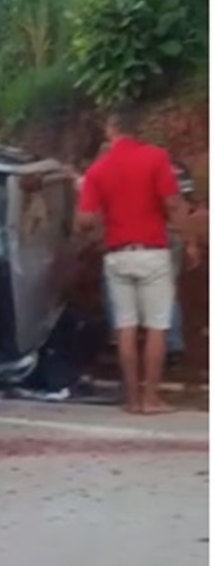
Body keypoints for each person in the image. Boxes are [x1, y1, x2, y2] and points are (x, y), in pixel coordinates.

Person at [75, 105, 199, 414]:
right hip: (153, 252)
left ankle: (131, 400)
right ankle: (151, 399)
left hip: (118, 257)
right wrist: (189, 241)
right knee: (157, 328)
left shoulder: (97, 170)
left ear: (111, 131)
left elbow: (85, 220)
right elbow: (173, 204)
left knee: (125, 329)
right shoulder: (157, 158)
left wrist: (102, 216)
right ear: (138, 130)